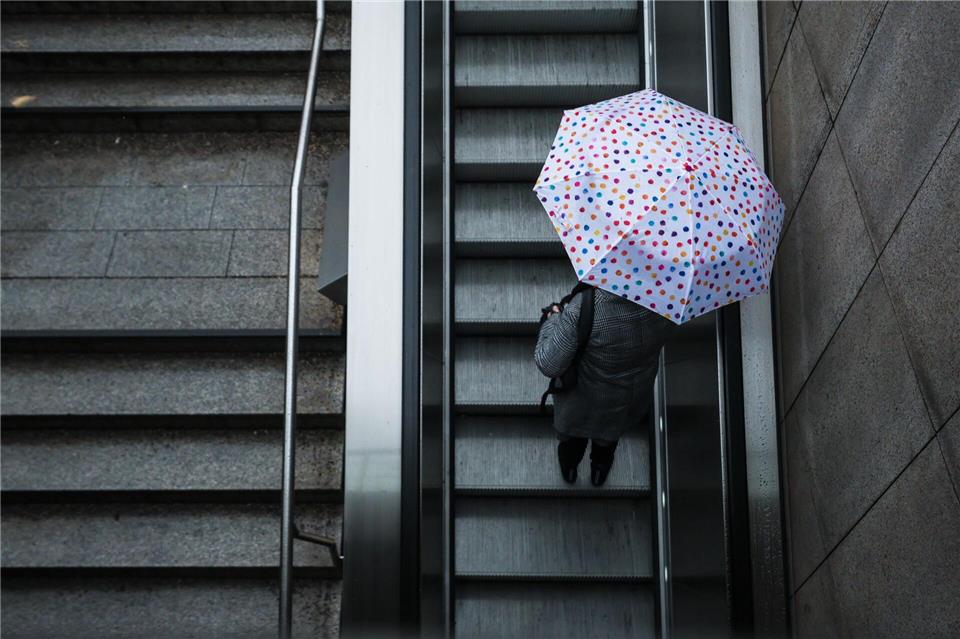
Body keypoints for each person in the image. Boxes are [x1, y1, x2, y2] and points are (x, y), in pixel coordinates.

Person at [534, 284, 676, 486]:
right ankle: (599, 471)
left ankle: (570, 468)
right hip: (630, 396)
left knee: (572, 440)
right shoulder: (672, 299)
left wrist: (553, 318)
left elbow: (548, 363)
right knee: (608, 440)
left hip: (583, 397)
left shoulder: (586, 307)